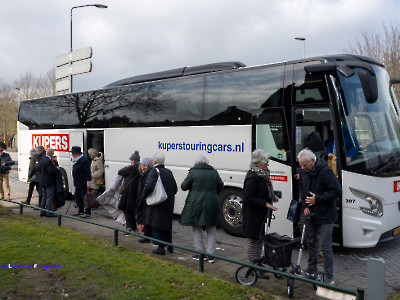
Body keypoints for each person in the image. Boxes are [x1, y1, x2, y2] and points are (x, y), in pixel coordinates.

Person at [297, 148, 342, 285]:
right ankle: (312, 269)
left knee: (326, 247)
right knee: (311, 243)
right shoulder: (304, 172)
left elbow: (337, 191)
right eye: (301, 165)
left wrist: (318, 199)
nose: (303, 168)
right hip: (311, 214)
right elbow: (303, 191)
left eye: (305, 165)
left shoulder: (325, 171)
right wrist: (305, 207)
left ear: (313, 160)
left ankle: (329, 277)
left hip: (326, 215)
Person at [179, 155, 224, 263]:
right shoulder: (214, 172)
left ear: (197, 163)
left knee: (197, 228)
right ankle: (210, 255)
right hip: (212, 202)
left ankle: (200, 253)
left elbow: (183, 186)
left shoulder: (193, 172)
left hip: (196, 203)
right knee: (211, 228)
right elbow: (221, 186)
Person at [242, 149, 278, 278]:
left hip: (260, 215)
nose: (268, 164)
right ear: (259, 163)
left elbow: (263, 191)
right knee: (254, 242)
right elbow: (248, 198)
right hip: (253, 215)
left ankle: (257, 263)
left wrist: (271, 197)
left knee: (259, 240)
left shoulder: (262, 174)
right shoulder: (252, 177)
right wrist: (265, 203)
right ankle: (254, 266)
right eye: (266, 162)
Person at [142, 153, 177, 255]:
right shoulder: (168, 172)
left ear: (154, 162)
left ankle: (160, 247)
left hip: (158, 202)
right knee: (167, 224)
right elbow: (175, 188)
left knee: (158, 224)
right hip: (169, 202)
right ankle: (170, 246)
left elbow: (149, 187)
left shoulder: (154, 171)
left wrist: (143, 196)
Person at [118, 151, 141, 235]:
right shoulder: (139, 168)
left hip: (129, 193)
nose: (130, 162)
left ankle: (132, 229)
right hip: (135, 192)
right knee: (131, 211)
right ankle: (132, 228)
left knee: (127, 210)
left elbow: (120, 172)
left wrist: (126, 167)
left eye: (131, 160)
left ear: (133, 161)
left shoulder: (132, 168)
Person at [70, 146, 91, 218]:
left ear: (76, 153)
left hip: (82, 182)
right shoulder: (76, 160)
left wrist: (88, 181)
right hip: (77, 182)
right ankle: (81, 211)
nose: (72, 154)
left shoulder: (83, 161)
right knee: (78, 197)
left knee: (84, 197)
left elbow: (88, 172)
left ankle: (87, 212)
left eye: (72, 153)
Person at [136, 157, 153, 243]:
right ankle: (147, 235)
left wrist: (142, 197)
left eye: (142, 165)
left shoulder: (148, 175)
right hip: (145, 199)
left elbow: (145, 188)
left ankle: (147, 236)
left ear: (145, 166)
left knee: (146, 218)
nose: (141, 166)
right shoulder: (148, 173)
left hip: (145, 200)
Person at [38, 148, 58, 217]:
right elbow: (50, 171)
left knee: (44, 197)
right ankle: (49, 212)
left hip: (43, 181)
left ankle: (42, 211)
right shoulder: (49, 161)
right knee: (49, 197)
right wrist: (56, 169)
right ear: (51, 153)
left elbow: (38, 168)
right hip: (49, 182)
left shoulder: (42, 160)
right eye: (53, 153)